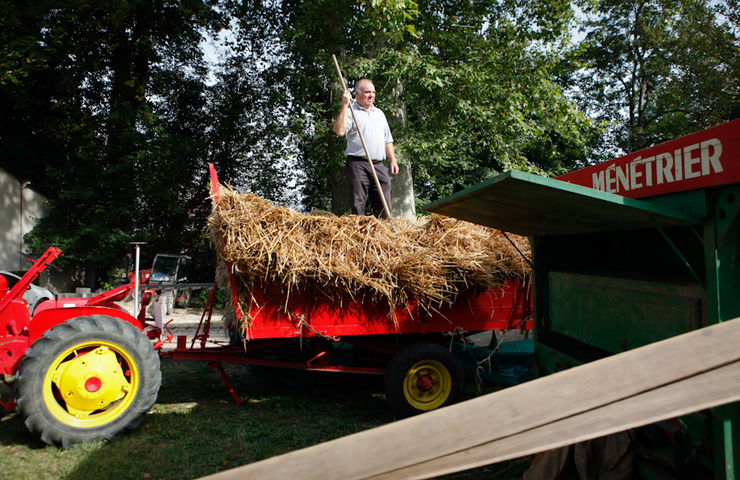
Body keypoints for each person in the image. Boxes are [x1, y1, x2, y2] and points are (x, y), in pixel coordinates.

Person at [333, 78, 399, 218]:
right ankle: (359, 234)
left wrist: (392, 159)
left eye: (373, 92)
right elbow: (339, 131)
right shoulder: (351, 111)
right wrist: (345, 105)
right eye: (367, 92)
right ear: (357, 94)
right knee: (358, 203)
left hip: (379, 165)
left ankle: (383, 234)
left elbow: (387, 139)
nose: (371, 95)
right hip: (358, 163)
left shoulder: (379, 113)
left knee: (384, 205)